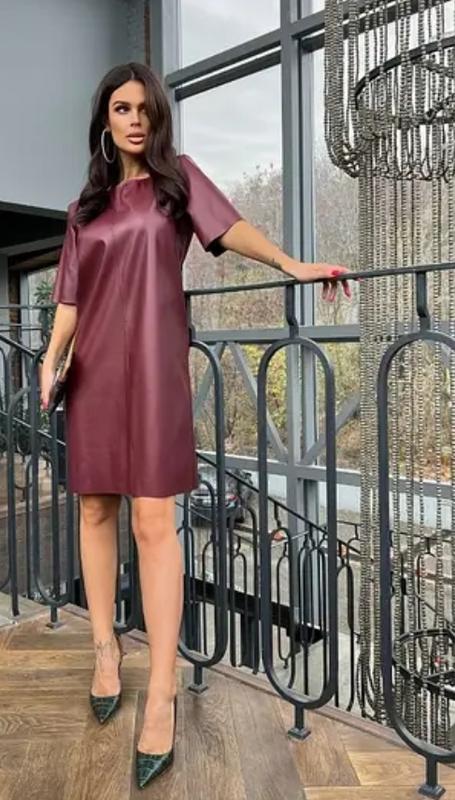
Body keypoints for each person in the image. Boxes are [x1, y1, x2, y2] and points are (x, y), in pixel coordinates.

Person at [40, 61, 352, 790]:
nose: (135, 119)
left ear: (158, 116)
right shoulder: (84, 208)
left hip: (154, 371)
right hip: (93, 373)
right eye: (122, 108)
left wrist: (290, 263)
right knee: (94, 508)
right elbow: (71, 297)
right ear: (105, 119)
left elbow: (230, 228)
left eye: (145, 108)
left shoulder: (176, 180)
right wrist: (52, 360)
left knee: (153, 520)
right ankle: (105, 649)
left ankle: (162, 688)